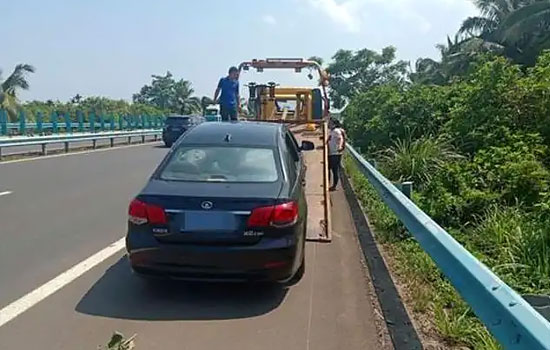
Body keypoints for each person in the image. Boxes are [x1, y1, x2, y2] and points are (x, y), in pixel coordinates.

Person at [327, 118, 346, 191]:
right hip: (333, 153)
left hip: (335, 153)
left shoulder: (336, 131)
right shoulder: (332, 131)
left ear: (334, 124)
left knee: (334, 169)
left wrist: (340, 147)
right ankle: (331, 184)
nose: (329, 124)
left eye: (330, 123)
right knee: (331, 169)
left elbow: (340, 139)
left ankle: (333, 185)